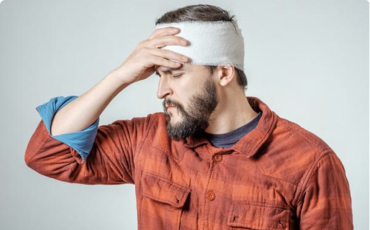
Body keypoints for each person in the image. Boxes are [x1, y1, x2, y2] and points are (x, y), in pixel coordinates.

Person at [25, 4, 353, 230]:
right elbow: (48, 155)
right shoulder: (147, 140)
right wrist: (120, 76)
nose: (161, 91)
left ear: (223, 73)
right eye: (157, 76)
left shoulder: (310, 163)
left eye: (176, 75)